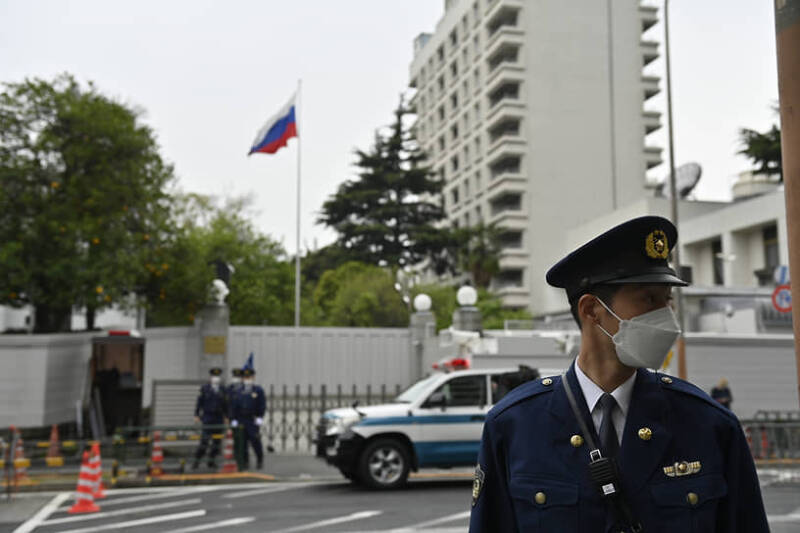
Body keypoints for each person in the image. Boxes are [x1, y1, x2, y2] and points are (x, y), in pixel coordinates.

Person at [469, 216, 768, 532]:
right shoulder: (514, 426)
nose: (666, 316)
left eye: (667, 301)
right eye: (648, 299)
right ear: (591, 310)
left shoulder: (709, 425)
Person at [230, 367, 266, 469]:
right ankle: (245, 462)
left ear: (253, 377)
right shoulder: (237, 391)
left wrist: (260, 418)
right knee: (243, 442)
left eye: (249, 377)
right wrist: (233, 419)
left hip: (252, 420)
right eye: (245, 377)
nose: (247, 379)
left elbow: (262, 405)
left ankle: (259, 459)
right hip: (241, 419)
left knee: (255, 441)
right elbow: (233, 406)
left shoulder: (258, 390)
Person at [192, 367, 227, 469]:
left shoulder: (223, 390)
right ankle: (196, 461)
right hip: (208, 417)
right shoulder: (205, 388)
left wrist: (227, 416)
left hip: (219, 418)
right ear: (210, 377)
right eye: (214, 376)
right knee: (204, 441)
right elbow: (199, 402)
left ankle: (211, 461)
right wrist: (196, 414)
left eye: (217, 376)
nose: (216, 378)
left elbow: (226, 404)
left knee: (217, 442)